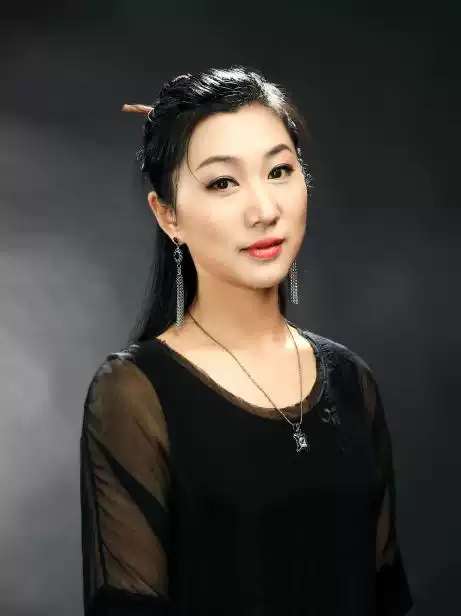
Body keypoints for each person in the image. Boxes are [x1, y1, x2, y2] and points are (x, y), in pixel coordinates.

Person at [80, 66, 414, 615]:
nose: (264, 210)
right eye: (223, 182)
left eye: (279, 171)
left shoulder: (352, 382)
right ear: (168, 215)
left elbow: (384, 596)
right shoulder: (134, 394)